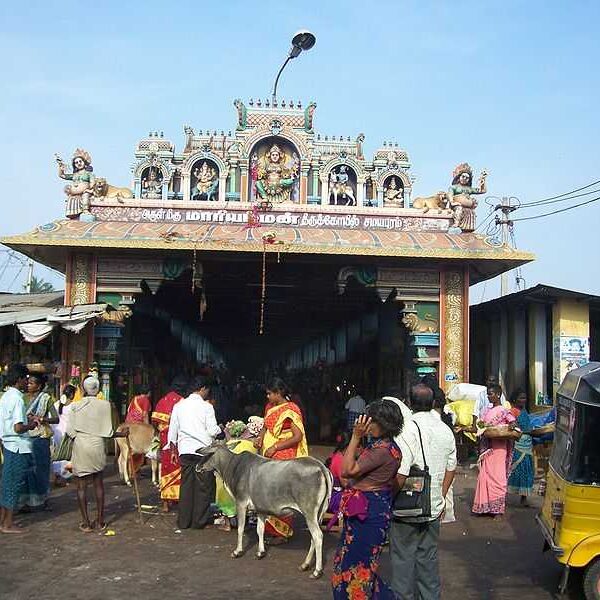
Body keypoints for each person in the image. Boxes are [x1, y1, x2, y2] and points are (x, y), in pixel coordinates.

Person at [390, 384, 457, 600]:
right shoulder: (445, 430)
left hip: (407, 507)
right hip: (434, 507)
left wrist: (387, 497)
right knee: (427, 560)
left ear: (409, 402)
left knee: (402, 560)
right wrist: (440, 496)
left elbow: (400, 474)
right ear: (434, 403)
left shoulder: (405, 429)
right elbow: (451, 468)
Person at [331, 400, 404, 599]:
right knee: (358, 565)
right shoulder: (390, 448)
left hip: (367, 512)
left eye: (369, 421)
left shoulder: (381, 450)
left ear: (381, 423)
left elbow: (347, 470)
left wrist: (355, 437)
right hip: (373, 508)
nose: (365, 425)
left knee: (356, 568)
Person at [67, 376, 123, 533]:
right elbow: (109, 432)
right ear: (98, 389)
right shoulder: (105, 405)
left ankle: (85, 523)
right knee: (98, 483)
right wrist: (122, 434)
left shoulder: (75, 406)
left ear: (84, 389)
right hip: (97, 445)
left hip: (81, 446)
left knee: (81, 486)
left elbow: (69, 431)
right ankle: (100, 521)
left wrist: (80, 437)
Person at [254, 378, 307, 543]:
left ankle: (282, 533)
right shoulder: (269, 407)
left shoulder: (291, 409)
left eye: (270, 393)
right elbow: (265, 426)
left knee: (282, 495)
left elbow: (297, 436)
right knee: (269, 493)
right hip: (269, 455)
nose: (268, 396)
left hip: (285, 455)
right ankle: (272, 529)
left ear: (279, 393)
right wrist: (260, 438)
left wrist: (276, 447)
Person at [167, 375, 223, 530]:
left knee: (186, 486)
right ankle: (199, 521)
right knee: (203, 487)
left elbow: (173, 430)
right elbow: (212, 431)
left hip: (184, 449)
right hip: (202, 450)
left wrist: (172, 449)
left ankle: (184, 521)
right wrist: (221, 428)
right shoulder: (207, 407)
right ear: (202, 389)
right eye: (207, 390)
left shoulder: (179, 405)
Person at [0, 364, 39, 534]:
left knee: (7, 484)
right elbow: (17, 427)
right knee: (14, 485)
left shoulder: (6, 396)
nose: (27, 383)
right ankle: (8, 524)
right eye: (25, 380)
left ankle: (4, 521)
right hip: (17, 446)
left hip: (8, 445)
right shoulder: (17, 399)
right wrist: (30, 425)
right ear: (19, 380)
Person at [472, 383, 516, 517]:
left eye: (491, 394)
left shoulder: (503, 410)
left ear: (498, 395)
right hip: (488, 448)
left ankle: (497, 508)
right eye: (487, 394)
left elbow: (512, 423)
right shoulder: (486, 410)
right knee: (485, 476)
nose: (489, 396)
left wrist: (508, 426)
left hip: (499, 448)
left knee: (498, 478)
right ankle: (484, 506)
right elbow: (480, 425)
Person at [19, 373, 59, 511]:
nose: (28, 385)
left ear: (39, 386)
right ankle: (27, 500)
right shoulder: (21, 398)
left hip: (41, 437)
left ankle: (42, 498)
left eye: (32, 383)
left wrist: (41, 419)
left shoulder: (46, 399)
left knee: (41, 469)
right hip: (25, 437)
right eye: (28, 382)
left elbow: (56, 419)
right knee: (27, 469)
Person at [152, 376, 187, 512]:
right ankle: (178, 499)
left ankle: (165, 503)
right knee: (179, 469)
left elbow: (155, 422)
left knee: (165, 470)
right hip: (179, 441)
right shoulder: (183, 402)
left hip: (165, 441)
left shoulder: (162, 400)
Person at [507, 389, 535, 506]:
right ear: (515, 399)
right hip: (518, 443)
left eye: (524, 398)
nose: (523, 400)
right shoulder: (513, 411)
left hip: (527, 443)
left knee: (527, 469)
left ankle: (524, 498)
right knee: (516, 469)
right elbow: (510, 425)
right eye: (521, 398)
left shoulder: (524, 410)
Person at [52, 384, 76, 485]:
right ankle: (65, 476)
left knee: (58, 455)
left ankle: (58, 476)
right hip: (68, 434)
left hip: (57, 433)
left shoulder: (56, 404)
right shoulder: (73, 406)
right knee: (68, 455)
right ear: (71, 395)